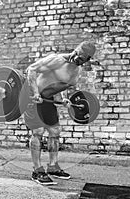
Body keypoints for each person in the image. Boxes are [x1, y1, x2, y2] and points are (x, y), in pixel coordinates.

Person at [24, 41, 96, 185]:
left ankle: (52, 166)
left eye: (81, 58)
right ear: (75, 49)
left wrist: (62, 100)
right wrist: (36, 92)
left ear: (87, 60)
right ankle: (37, 170)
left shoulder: (76, 72)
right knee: (37, 132)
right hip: (33, 96)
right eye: (76, 53)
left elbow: (56, 87)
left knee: (55, 131)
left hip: (48, 100)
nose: (76, 58)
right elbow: (31, 69)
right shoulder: (56, 60)